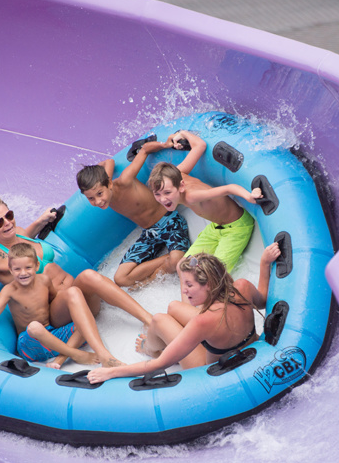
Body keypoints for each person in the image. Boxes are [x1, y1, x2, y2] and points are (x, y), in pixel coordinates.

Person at [0, 193, 152, 333]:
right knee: (88, 277)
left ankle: (148, 320)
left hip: (75, 295)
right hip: (57, 312)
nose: (7, 223)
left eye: (9, 215)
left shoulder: (20, 233)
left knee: (89, 277)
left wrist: (41, 221)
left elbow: (27, 236)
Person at [86, 243, 281, 384]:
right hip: (245, 345)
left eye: (189, 285)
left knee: (160, 320)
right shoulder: (242, 288)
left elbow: (159, 365)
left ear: (210, 285)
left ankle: (148, 347)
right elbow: (263, 300)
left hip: (209, 367)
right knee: (174, 306)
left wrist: (111, 373)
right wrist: (264, 263)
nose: (185, 290)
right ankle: (182, 276)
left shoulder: (203, 322)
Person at [75, 132, 206, 287]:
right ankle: (167, 258)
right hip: (150, 234)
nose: (98, 201)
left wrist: (165, 144)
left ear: (109, 184)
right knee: (121, 279)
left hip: (169, 222)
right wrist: (98, 177)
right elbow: (108, 162)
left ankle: (154, 276)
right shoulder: (105, 190)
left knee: (177, 262)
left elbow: (144, 150)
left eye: (99, 194)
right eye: (91, 198)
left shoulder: (125, 180)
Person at [0, 243, 120, 367]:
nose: (23, 273)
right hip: (30, 342)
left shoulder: (44, 281)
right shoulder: (9, 290)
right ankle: (75, 354)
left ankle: (62, 359)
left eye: (28, 267)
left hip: (53, 335)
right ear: (11, 270)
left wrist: (82, 303)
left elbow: (56, 301)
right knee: (35, 326)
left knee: (84, 322)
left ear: (36, 266)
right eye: (17, 269)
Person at [146, 130, 263, 274]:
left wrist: (249, 196)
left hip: (237, 228)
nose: (163, 199)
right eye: (157, 194)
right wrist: (182, 133)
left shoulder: (192, 196)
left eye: (167, 193)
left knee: (215, 273)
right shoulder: (175, 175)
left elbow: (229, 188)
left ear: (181, 186)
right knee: (182, 265)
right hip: (216, 228)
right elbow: (199, 146)